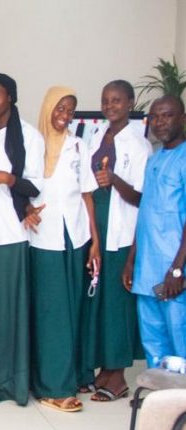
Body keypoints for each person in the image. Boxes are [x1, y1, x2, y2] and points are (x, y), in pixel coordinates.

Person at [0, 73, 44, 406]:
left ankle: (11, 380)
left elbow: (36, 185)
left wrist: (5, 178)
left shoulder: (28, 135)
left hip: (11, 232)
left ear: (10, 97)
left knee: (8, 308)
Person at [25, 87, 99, 412]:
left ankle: (73, 375)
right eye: (60, 108)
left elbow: (87, 196)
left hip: (75, 238)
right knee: (50, 313)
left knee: (72, 311)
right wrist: (25, 210)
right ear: (48, 108)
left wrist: (95, 243)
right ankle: (53, 387)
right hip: (42, 240)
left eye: (70, 110)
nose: (64, 115)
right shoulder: (32, 144)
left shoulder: (79, 146)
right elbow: (19, 189)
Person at [79, 80, 149, 402]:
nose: (110, 106)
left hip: (121, 234)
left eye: (117, 100)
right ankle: (105, 370)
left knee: (118, 304)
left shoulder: (139, 145)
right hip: (97, 226)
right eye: (106, 100)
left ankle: (118, 377)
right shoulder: (96, 136)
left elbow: (141, 197)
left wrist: (114, 180)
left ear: (130, 103)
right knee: (100, 302)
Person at [123, 95, 186, 368]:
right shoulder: (154, 159)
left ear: (182, 119)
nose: (160, 122)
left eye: (167, 115)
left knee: (179, 338)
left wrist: (177, 270)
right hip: (147, 268)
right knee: (153, 342)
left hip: (174, 271)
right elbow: (146, 212)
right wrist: (131, 260)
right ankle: (161, 392)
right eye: (155, 116)